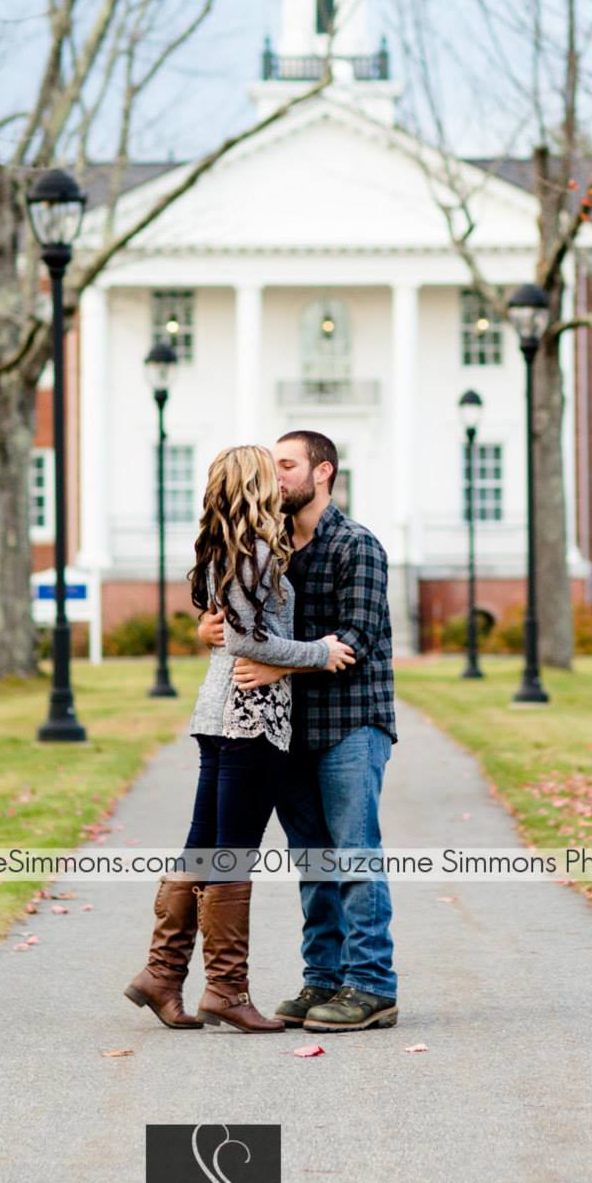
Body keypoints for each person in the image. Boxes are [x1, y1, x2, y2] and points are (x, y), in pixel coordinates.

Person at [124, 444, 356, 1034]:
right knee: (230, 854)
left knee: (204, 846)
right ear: (252, 486)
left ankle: (161, 974)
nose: (279, 480)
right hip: (248, 719)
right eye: (269, 473)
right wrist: (320, 653)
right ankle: (226, 990)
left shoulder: (229, 547)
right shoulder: (251, 551)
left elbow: (228, 631)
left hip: (220, 715)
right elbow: (250, 642)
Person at [203, 429, 399, 1032]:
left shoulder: (357, 545)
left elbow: (353, 644)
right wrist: (214, 634)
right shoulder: (270, 547)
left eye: (287, 465)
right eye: (273, 465)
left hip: (350, 724)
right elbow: (238, 623)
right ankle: (322, 980)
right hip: (288, 730)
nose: (276, 475)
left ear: (323, 472)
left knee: (353, 853)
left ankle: (372, 986)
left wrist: (271, 663)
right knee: (312, 860)